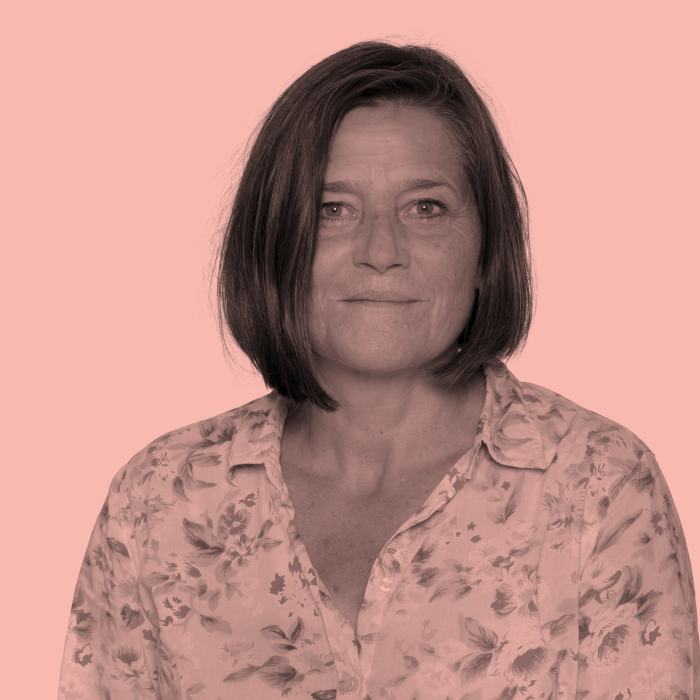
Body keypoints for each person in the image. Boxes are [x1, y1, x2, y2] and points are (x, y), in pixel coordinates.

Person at [57, 40, 700, 699]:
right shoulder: (160, 500)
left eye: (426, 208)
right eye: (333, 210)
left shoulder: (599, 487)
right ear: (274, 242)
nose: (381, 251)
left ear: (486, 250)